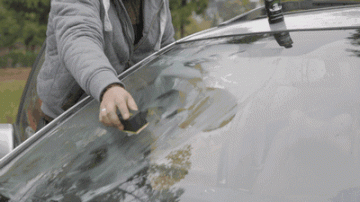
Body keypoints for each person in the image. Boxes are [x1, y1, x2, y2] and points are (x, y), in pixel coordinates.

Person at [36, 0, 175, 131]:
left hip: (129, 120)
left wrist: (174, 105)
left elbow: (166, 52)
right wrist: (108, 86)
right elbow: (78, 37)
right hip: (69, 125)